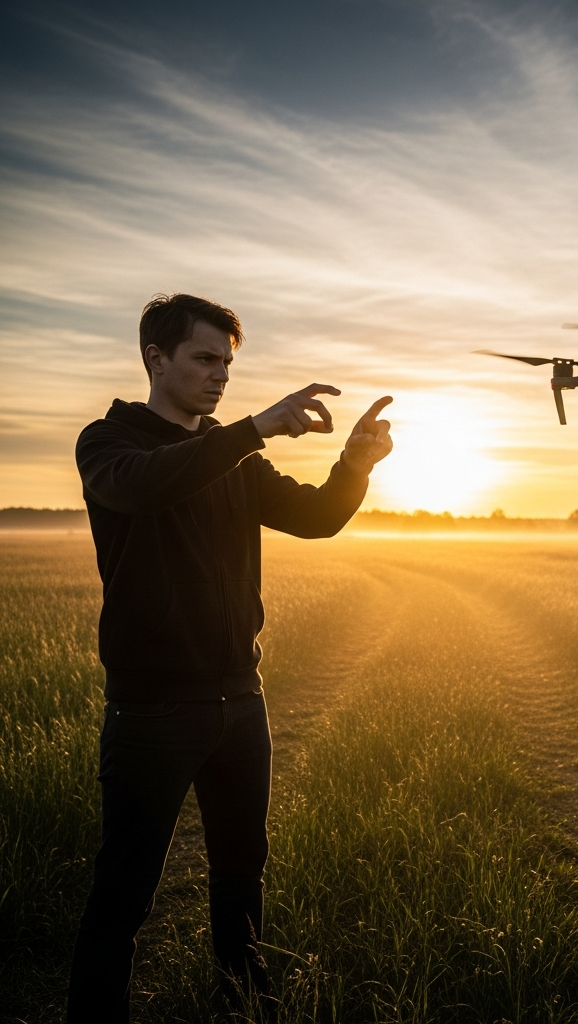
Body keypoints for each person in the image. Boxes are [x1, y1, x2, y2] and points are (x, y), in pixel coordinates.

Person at [67, 293, 393, 1020]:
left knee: (243, 875)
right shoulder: (108, 444)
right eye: (205, 359)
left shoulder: (233, 457)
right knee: (123, 895)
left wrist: (353, 465)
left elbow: (314, 519)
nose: (219, 375)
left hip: (241, 706)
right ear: (157, 358)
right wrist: (253, 429)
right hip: (151, 711)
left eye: (227, 363)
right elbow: (146, 488)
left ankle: (244, 1006)